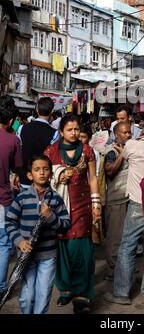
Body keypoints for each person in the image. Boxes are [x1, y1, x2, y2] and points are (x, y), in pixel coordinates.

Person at [104, 111, 144, 306]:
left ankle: (122, 292)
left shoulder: (132, 145)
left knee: (127, 246)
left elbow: (119, 161)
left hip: (137, 203)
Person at [45, 114, 101, 314]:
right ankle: (65, 288)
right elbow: (43, 176)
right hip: (59, 207)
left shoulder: (87, 151)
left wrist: (96, 204)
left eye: (76, 129)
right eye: (69, 129)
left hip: (82, 205)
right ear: (61, 132)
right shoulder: (51, 152)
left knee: (80, 250)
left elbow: (93, 179)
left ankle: (82, 295)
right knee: (62, 248)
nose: (74, 133)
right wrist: (59, 175)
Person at [5, 155, 70, 314]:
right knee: (27, 297)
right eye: (37, 169)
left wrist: (51, 217)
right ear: (29, 175)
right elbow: (9, 222)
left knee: (43, 294)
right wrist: (19, 241)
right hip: (27, 256)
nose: (41, 173)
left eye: (46, 169)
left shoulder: (56, 199)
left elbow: (66, 225)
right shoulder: (22, 197)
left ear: (51, 174)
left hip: (48, 255)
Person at [104, 121, 132, 280]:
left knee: (125, 237)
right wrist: (123, 154)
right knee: (115, 238)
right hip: (116, 200)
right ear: (116, 134)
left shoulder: (129, 147)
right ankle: (112, 271)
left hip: (128, 198)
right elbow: (110, 171)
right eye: (124, 133)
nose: (128, 135)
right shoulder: (112, 151)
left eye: (129, 132)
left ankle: (123, 269)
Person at [0, 95, 22, 293]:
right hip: (3, 199)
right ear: (10, 121)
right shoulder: (13, 140)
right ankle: (0, 286)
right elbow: (16, 167)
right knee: (4, 243)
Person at [19, 97, 59, 190]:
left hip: (23, 178)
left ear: (36, 110)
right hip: (42, 181)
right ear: (52, 111)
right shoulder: (54, 133)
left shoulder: (22, 128)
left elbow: (19, 152)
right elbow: (53, 157)